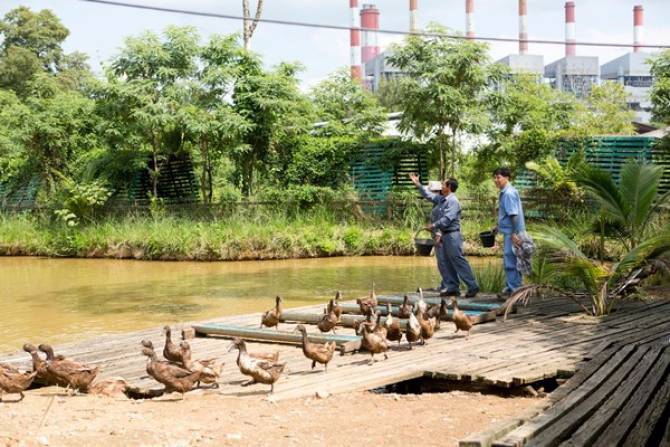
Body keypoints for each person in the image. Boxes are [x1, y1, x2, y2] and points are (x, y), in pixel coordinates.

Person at [410, 173, 479, 298]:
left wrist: (433, 225)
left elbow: (447, 219)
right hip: (444, 235)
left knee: (458, 261)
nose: (441, 186)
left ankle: (472, 286)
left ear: (449, 187)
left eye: (443, 184)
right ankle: (452, 287)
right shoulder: (442, 199)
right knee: (446, 262)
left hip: (452, 236)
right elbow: (429, 195)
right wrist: (418, 184)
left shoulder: (453, 201)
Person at [493, 167, 526, 298]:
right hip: (510, 232)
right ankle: (511, 287)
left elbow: (513, 215)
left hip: (512, 233)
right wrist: (498, 227)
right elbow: (507, 214)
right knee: (511, 260)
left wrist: (514, 233)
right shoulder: (506, 192)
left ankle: (514, 291)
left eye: (498, 177)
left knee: (511, 261)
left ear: (507, 177)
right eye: (494, 177)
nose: (496, 180)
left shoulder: (508, 193)